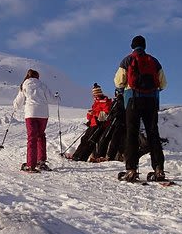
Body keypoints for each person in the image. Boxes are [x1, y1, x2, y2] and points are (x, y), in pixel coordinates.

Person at [114, 35, 167, 182]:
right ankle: (159, 169)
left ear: (132, 46)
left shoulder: (127, 60)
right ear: (145, 46)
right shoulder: (154, 61)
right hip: (151, 101)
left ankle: (131, 170)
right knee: (153, 133)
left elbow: (119, 82)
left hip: (133, 100)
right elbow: (163, 84)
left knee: (132, 133)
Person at [13, 69, 55, 172]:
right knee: (41, 136)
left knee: (32, 138)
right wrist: (57, 97)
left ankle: (31, 165)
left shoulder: (24, 85)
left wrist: (15, 106)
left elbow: (19, 102)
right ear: (37, 76)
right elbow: (51, 99)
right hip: (43, 115)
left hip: (31, 114)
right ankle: (41, 161)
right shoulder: (42, 85)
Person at [67, 83, 114, 162]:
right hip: (93, 123)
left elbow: (105, 115)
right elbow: (90, 116)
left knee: (90, 141)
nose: (95, 96)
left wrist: (94, 113)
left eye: (96, 94)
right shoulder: (96, 102)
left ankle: (82, 157)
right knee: (84, 139)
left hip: (99, 124)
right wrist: (89, 114)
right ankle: (76, 156)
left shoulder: (105, 102)